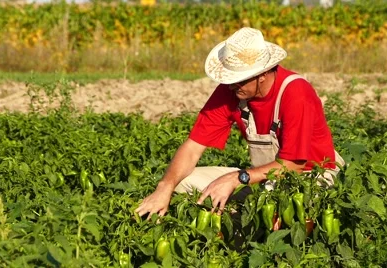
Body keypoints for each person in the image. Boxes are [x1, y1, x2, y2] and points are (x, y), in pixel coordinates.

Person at [135, 27, 344, 219]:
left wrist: (237, 178)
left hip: (310, 174)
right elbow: (192, 148)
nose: (232, 86)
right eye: (230, 80)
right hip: (261, 175)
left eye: (239, 80)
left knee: (281, 206)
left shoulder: (295, 93)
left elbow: (294, 164)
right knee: (181, 183)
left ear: (262, 74)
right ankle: (225, 229)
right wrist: (164, 186)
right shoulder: (233, 90)